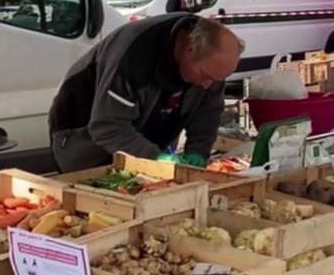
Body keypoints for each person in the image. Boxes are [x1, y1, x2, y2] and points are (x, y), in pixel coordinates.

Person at [49, 13, 243, 172]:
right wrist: (155, 158)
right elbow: (107, 127)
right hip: (83, 142)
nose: (208, 85)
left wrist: (198, 150)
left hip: (141, 144)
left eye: (216, 79)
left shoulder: (210, 62)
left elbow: (208, 111)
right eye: (206, 76)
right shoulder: (133, 57)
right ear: (190, 50)